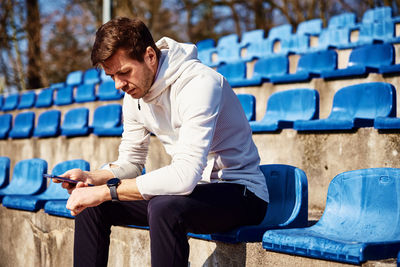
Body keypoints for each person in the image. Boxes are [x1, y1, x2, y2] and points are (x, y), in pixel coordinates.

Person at [61, 17, 269, 267]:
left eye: (124, 72)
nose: (119, 84)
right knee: (93, 206)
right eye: (112, 76)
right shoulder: (133, 96)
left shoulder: (200, 83)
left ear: (150, 56)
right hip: (192, 190)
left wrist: (106, 191)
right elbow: (131, 162)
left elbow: (184, 176)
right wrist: (92, 178)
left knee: (163, 207)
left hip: (241, 192)